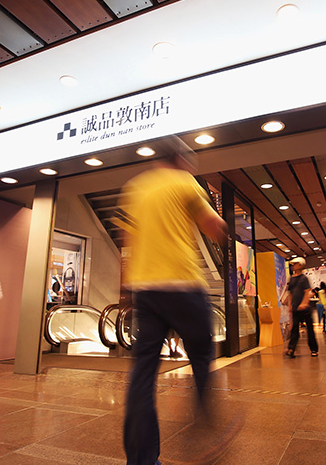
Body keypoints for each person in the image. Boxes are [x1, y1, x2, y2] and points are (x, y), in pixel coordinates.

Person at [120, 137, 236, 465]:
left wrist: (130, 285)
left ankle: (141, 459)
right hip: (182, 283)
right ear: (179, 159)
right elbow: (213, 227)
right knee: (201, 351)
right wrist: (224, 226)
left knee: (143, 374)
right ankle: (205, 423)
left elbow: (128, 239)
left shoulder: (136, 187)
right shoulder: (184, 181)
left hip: (145, 289)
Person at [284, 257, 318, 358]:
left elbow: (307, 292)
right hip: (295, 309)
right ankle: (291, 349)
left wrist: (304, 303)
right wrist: (290, 305)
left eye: (295, 264)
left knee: (310, 329)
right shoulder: (292, 278)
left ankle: (314, 349)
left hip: (305, 309)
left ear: (300, 265)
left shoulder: (304, 278)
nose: (293, 266)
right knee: (294, 330)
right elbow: (290, 293)